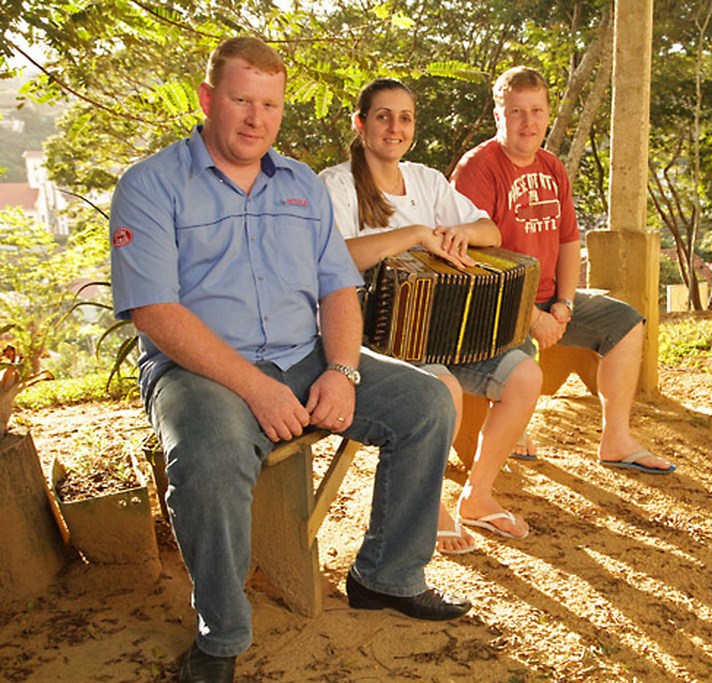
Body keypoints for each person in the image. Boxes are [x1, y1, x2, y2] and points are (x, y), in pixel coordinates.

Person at [109, 38, 470, 683]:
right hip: (200, 370)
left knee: (428, 402)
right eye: (241, 101)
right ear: (207, 99)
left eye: (270, 105)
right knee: (210, 458)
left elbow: (337, 289)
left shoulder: (300, 182)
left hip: (305, 354)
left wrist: (342, 370)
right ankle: (222, 634)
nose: (257, 119)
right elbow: (155, 311)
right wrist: (255, 387)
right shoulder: (151, 184)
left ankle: (386, 575)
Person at [320, 78, 540, 550]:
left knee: (525, 376)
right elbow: (334, 257)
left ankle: (478, 496)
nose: (394, 128)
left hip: (446, 328)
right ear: (360, 124)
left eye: (405, 118)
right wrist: (416, 234)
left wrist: (463, 233)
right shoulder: (336, 184)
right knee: (444, 389)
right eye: (383, 116)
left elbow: (490, 230)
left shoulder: (426, 179)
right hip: (377, 336)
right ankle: (430, 503)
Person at [451, 66, 675, 475]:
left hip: (548, 300)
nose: (528, 122)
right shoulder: (477, 169)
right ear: (499, 116)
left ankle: (616, 440)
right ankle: (497, 445)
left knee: (625, 323)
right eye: (517, 112)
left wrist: (565, 303)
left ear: (548, 114)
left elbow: (568, 241)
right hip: (494, 308)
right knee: (517, 360)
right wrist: (530, 316)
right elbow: (472, 264)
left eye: (537, 111)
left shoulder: (551, 167)